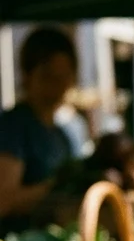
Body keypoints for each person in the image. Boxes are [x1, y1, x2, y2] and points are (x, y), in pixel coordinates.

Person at [0, 27, 78, 228]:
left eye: (64, 77)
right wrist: (52, 187)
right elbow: (4, 201)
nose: (57, 87)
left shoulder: (63, 135)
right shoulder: (13, 127)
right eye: (49, 77)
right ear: (27, 75)